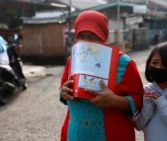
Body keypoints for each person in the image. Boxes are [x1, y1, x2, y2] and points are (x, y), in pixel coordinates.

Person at [59, 10, 144, 141]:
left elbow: (139, 100)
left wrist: (115, 101)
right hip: (75, 134)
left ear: (103, 36)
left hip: (112, 135)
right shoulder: (73, 60)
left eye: (92, 36)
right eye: (81, 36)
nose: (86, 42)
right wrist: (64, 92)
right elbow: (63, 89)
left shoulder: (124, 63)